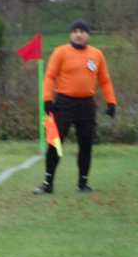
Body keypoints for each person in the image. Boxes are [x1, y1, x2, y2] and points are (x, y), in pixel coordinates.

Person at [34, 19, 117, 194]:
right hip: (64, 103)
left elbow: (104, 80)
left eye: (82, 31)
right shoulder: (61, 52)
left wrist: (111, 102)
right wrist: (47, 99)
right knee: (55, 143)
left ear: (88, 35)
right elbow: (50, 76)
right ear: (71, 34)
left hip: (87, 104)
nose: (78, 34)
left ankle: (83, 183)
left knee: (86, 143)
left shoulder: (97, 54)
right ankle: (48, 183)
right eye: (75, 31)